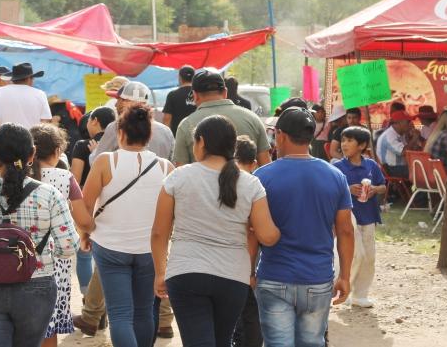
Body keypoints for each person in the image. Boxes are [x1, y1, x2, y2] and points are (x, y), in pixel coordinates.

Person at [152, 115, 280, 347]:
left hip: (186, 272)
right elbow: (268, 236)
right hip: (233, 276)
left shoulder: (178, 177)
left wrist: (160, 272)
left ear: (201, 142)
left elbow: (159, 233)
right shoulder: (250, 184)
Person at [0, 123, 78, 346]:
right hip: (36, 286)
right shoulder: (49, 195)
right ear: (32, 154)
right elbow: (68, 247)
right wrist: (40, 255)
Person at [253, 107, 354, 347]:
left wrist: (248, 272)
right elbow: (345, 231)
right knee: (312, 342)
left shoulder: (261, 177)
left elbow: (250, 231)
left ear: (281, 135)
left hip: (274, 275)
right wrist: (345, 276)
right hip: (317, 277)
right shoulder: (335, 176)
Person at [82, 103, 173, 346]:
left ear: (120, 133)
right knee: (144, 312)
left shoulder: (105, 162)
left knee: (120, 314)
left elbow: (86, 205)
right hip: (149, 251)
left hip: (110, 247)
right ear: (149, 135)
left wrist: (85, 233)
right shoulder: (166, 167)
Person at [30, 124, 94, 347]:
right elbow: (83, 220)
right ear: (58, 151)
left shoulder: (18, 175)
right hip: (56, 259)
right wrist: (90, 230)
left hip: (19, 257)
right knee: (50, 320)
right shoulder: (65, 178)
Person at [332, 126, 386, 309]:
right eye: (343, 140)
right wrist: (348, 189)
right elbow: (330, 191)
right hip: (348, 216)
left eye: (349, 140)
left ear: (362, 145)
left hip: (368, 216)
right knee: (355, 254)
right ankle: (341, 290)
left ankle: (360, 294)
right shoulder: (337, 168)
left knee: (369, 256)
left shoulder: (371, 165)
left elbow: (383, 186)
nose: (344, 144)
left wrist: (374, 190)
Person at [174, 70, 270, 166]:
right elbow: (265, 165)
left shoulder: (186, 125)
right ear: (225, 92)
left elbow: (180, 168)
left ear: (195, 95)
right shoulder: (252, 119)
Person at [70, 107, 115, 301]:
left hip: (85, 203)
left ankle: (88, 297)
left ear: (95, 121)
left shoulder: (82, 145)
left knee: (84, 251)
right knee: (106, 250)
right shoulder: (119, 145)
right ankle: (102, 298)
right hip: (110, 204)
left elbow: (74, 178)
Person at [231, 135, 262, 347]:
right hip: (244, 263)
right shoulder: (254, 186)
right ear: (254, 164)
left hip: (216, 264)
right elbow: (253, 235)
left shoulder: (214, 181)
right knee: (250, 315)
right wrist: (250, 272)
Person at [0, 62, 52, 134]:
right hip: (31, 139)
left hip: (6, 139)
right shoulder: (40, 94)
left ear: (13, 78)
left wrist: (0, 138)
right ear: (29, 78)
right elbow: (45, 121)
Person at [376, 111, 414, 178]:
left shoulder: (400, 134)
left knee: (420, 169)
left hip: (398, 167)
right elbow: (403, 152)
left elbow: (410, 149)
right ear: (399, 123)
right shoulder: (390, 135)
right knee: (419, 172)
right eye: (408, 122)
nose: (411, 124)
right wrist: (415, 138)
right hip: (391, 169)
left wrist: (410, 136)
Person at [162, 65, 196, 135]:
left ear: (180, 77)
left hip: (178, 135)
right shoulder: (199, 94)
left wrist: (167, 136)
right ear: (194, 77)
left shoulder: (172, 95)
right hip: (197, 135)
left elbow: (167, 119)